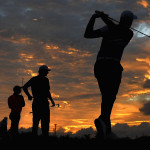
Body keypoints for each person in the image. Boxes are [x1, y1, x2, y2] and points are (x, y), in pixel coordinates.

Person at [84, 10, 137, 139]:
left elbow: (116, 29)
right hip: (111, 66)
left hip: (101, 65)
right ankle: (103, 120)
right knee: (109, 97)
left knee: (107, 97)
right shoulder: (114, 28)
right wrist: (94, 18)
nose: (131, 23)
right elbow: (88, 34)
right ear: (128, 21)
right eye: (130, 21)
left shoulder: (127, 33)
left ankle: (106, 128)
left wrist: (100, 17)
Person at [23, 65, 55, 137]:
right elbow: (47, 92)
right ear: (43, 71)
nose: (47, 73)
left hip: (37, 102)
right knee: (45, 122)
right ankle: (44, 139)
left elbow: (25, 87)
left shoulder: (34, 79)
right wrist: (52, 101)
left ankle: (35, 139)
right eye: (46, 71)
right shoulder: (45, 80)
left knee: (36, 122)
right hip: (43, 103)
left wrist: (29, 96)